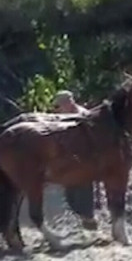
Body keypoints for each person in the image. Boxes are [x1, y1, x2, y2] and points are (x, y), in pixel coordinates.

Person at [52, 90, 100, 230]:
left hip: (85, 159)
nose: (58, 108)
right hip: (69, 160)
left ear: (68, 102)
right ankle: (83, 219)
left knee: (84, 190)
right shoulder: (63, 116)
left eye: (59, 105)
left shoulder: (83, 115)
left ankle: (89, 220)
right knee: (70, 193)